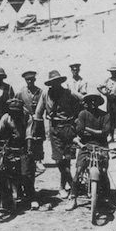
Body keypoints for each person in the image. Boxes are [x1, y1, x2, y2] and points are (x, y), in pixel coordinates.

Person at [34, 70, 82, 198]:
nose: (55, 84)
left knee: (67, 160)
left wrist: (79, 118)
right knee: (59, 160)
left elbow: (83, 101)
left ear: (60, 82)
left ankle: (62, 187)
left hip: (69, 128)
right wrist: (36, 131)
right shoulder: (46, 94)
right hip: (54, 129)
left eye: (57, 82)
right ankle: (72, 184)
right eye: (52, 82)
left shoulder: (69, 92)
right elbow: (38, 114)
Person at [0, 98, 39, 210]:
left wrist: (29, 149)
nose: (15, 113)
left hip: (24, 146)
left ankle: (32, 198)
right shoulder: (6, 117)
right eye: (13, 111)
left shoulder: (27, 117)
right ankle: (6, 199)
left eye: (17, 111)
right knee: (3, 170)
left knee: (26, 173)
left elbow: (29, 134)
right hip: (9, 145)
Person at [66, 92, 110, 211]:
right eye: (91, 100)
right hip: (86, 145)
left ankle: (106, 197)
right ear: (87, 102)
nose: (93, 103)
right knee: (79, 170)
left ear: (98, 102)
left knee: (104, 171)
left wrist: (88, 129)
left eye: (95, 100)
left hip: (102, 146)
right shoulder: (83, 114)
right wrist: (98, 132)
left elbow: (106, 132)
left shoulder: (105, 115)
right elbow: (80, 131)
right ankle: (73, 197)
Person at [15, 70, 44, 165]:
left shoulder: (40, 92)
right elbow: (17, 105)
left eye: (31, 79)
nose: (30, 82)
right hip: (26, 120)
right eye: (27, 80)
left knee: (38, 138)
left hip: (38, 119)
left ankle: (39, 158)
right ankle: (27, 156)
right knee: (27, 137)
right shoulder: (21, 92)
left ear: (34, 79)